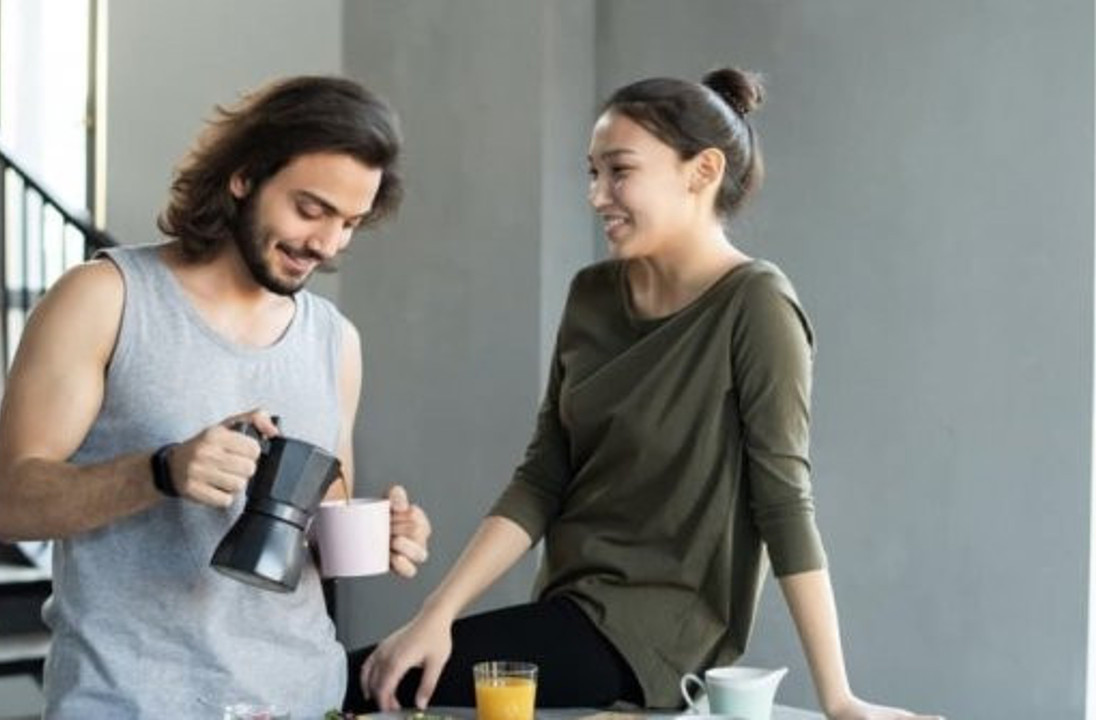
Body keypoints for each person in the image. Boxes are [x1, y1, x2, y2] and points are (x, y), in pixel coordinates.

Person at [349, 69, 941, 720]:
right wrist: (437, 614)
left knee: (354, 682)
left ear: (702, 170)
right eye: (592, 173)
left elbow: (784, 502)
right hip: (570, 612)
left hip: (656, 640)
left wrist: (838, 698)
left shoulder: (757, 305)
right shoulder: (591, 296)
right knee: (370, 676)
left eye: (619, 171)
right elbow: (544, 477)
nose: (597, 195)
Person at [0, 75, 432, 719]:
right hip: (130, 702)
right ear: (244, 176)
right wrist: (161, 471)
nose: (328, 245)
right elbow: (9, 504)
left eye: (350, 223)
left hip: (301, 700)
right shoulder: (104, 298)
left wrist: (379, 535)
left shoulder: (336, 342)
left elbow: (316, 533)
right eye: (310, 210)